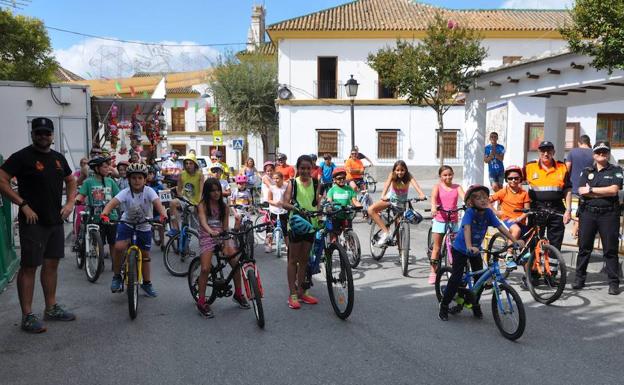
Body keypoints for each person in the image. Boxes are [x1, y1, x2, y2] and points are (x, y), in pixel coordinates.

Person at [0, 117, 77, 333]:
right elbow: (1, 179)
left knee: (51, 264)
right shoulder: (22, 157)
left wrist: (70, 202)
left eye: (47, 133)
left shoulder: (58, 158)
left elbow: (71, 180)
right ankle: (27, 315)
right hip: (33, 222)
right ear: (33, 134)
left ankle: (50, 308)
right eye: (39, 132)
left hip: (55, 221)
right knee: (29, 267)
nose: (43, 136)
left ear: (52, 136)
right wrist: (22, 204)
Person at [438, 185, 524, 321]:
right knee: (456, 278)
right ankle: (444, 305)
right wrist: (469, 246)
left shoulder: (489, 213)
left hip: (475, 249)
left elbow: (501, 227)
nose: (483, 200)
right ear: (471, 203)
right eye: (478, 198)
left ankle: (473, 304)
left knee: (480, 280)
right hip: (461, 248)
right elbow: (466, 229)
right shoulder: (470, 212)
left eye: (484, 197)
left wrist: (514, 240)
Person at [101, 163, 167, 297]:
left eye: (140, 178)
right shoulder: (125, 192)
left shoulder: (149, 191)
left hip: (144, 225)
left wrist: (162, 215)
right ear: (129, 179)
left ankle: (147, 283)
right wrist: (105, 214)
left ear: (145, 179)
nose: (137, 181)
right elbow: (112, 203)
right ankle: (117, 276)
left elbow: (158, 204)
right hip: (127, 224)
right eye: (134, 178)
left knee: (145, 256)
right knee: (119, 247)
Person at [195, 178, 250, 318]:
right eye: (212, 190)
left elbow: (225, 227)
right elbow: (203, 222)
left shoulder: (224, 207)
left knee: (236, 263)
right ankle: (201, 302)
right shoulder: (202, 205)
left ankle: (238, 294)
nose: (216, 193)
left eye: (218, 190)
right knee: (205, 269)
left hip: (221, 235)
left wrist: (226, 242)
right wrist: (210, 232)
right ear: (207, 192)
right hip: (207, 236)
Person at [573, 141, 622, 295]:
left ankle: (613, 283)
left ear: (608, 154)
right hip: (588, 213)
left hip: (609, 214)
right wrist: (600, 191)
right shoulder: (587, 171)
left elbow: (614, 190)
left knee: (610, 250)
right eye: (598, 152)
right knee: (584, 248)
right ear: (594, 154)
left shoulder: (616, 170)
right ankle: (579, 279)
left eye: (604, 152)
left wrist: (592, 190)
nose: (601, 154)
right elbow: (581, 190)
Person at [281, 155, 321, 309]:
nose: (305, 171)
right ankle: (292, 295)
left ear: (312, 168)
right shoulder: (293, 183)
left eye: (308, 168)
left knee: (304, 260)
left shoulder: (316, 182)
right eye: (302, 168)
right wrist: (297, 209)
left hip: (311, 226)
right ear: (298, 169)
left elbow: (316, 203)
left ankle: (301, 293)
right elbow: (284, 203)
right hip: (296, 225)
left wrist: (320, 215)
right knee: (293, 260)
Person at [524, 140, 572, 250]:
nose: (546, 154)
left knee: (555, 242)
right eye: (543, 151)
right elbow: (515, 182)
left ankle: (552, 266)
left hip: (556, 208)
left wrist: (568, 210)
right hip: (536, 208)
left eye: (549, 151)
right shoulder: (529, 167)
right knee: (534, 242)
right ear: (538, 152)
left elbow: (568, 190)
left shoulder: (562, 167)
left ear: (553, 152)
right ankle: (534, 266)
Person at [368, 160, 426, 247]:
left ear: (405, 170)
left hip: (401, 203)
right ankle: (386, 232)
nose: (400, 172)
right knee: (371, 210)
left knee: (399, 229)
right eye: (397, 170)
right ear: (394, 170)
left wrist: (421, 194)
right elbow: (386, 185)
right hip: (390, 199)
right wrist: (383, 195)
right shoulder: (392, 175)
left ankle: (402, 256)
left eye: (402, 170)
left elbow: (416, 186)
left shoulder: (408, 176)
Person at [74, 156, 120, 260]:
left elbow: (118, 196)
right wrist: (77, 200)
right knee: (99, 242)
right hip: (96, 217)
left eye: (108, 166)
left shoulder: (111, 181)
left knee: (113, 242)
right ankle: (100, 262)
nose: (107, 168)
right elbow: (81, 195)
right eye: (104, 167)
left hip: (111, 216)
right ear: (96, 169)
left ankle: (114, 263)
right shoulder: (88, 182)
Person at [429, 166, 465, 284]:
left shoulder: (457, 187)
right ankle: (433, 272)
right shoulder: (437, 187)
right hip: (440, 219)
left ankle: (455, 270)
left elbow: (465, 197)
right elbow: (433, 199)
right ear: (440, 176)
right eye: (445, 175)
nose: (448, 177)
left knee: (456, 247)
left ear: (453, 174)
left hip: (453, 219)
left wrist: (470, 204)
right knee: (437, 247)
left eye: (450, 174)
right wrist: (434, 207)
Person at [490, 165, 531, 242]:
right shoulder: (503, 191)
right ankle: (509, 253)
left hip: (520, 221)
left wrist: (518, 219)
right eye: (510, 178)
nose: (513, 180)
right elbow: (487, 201)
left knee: (525, 245)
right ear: (506, 179)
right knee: (516, 230)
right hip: (506, 220)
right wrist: (496, 212)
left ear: (520, 179)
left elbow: (527, 210)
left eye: (516, 178)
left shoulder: (524, 193)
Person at [565, 135, 594, 238]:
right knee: (583, 209)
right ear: (588, 142)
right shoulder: (594, 152)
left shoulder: (573, 152)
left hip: (574, 186)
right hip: (588, 187)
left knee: (575, 210)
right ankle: (577, 230)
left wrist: (565, 182)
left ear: (579, 142)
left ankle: (575, 231)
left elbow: (567, 168)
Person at [169, 153, 204, 235]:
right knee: (172, 203)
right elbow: (179, 189)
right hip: (185, 201)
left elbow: (201, 191)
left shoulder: (200, 175)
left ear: (195, 164)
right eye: (186, 163)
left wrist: (198, 204)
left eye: (191, 163)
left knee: (196, 229)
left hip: (196, 203)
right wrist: (182, 198)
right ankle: (175, 228)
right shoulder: (182, 174)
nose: (188, 165)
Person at [326, 167, 362, 242]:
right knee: (334, 238)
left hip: (347, 215)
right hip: (336, 215)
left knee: (349, 234)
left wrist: (361, 207)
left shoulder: (349, 189)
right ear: (334, 180)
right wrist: (330, 206)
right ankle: (332, 247)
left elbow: (355, 201)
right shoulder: (332, 190)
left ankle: (352, 247)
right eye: (339, 178)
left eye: (343, 178)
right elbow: (329, 201)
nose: (342, 180)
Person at [266, 171, 289, 253]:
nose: (275, 180)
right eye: (274, 178)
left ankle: (287, 246)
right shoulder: (272, 188)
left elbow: (288, 198)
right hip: (274, 211)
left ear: (282, 179)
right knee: (271, 229)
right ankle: (269, 245)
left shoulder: (286, 186)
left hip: (283, 211)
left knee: (285, 229)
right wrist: (275, 203)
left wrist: (284, 204)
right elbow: (269, 199)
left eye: (277, 178)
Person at [147, 166, 165, 247]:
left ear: (154, 174)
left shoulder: (159, 185)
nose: (149, 175)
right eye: (147, 174)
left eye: (150, 173)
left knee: (160, 225)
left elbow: (164, 195)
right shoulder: (143, 185)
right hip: (147, 210)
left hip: (157, 210)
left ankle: (163, 243)